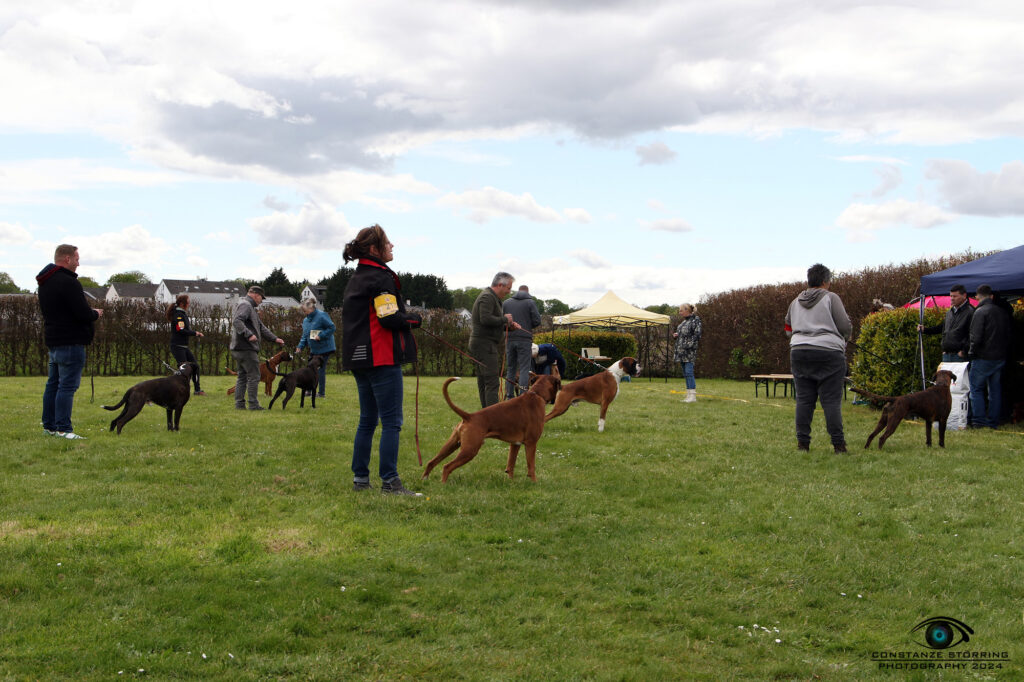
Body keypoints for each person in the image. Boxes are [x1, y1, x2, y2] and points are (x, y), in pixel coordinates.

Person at [341, 224, 423, 496]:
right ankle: (390, 481)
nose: (392, 246)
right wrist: (414, 319)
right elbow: (388, 318)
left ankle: (360, 480)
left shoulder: (357, 277)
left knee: (367, 421)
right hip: (381, 358)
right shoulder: (381, 277)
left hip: (359, 359)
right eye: (388, 243)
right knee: (391, 422)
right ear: (375, 249)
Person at [37, 244, 103, 439]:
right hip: (71, 342)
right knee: (66, 386)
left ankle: (49, 426)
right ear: (67, 259)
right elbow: (82, 313)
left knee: (53, 384)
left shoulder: (45, 282)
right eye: (76, 258)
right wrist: (95, 314)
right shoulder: (69, 282)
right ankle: (64, 428)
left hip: (54, 341)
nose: (78, 263)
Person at [785, 263, 852, 453]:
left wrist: (800, 337)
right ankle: (839, 445)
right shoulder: (831, 298)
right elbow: (845, 326)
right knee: (830, 400)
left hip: (799, 351)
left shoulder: (795, 301)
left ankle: (803, 444)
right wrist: (844, 338)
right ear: (825, 281)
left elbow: (787, 328)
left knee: (804, 400)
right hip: (829, 353)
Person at [469, 272, 520, 408]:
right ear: (499, 285)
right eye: (508, 288)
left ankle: (485, 416)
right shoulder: (487, 297)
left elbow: (491, 323)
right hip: (484, 345)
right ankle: (492, 418)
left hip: (484, 344)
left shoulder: (492, 297)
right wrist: (505, 319)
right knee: (492, 382)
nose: (509, 292)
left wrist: (509, 327)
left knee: (484, 382)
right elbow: (485, 319)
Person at [230, 285, 284, 410]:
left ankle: (239, 404)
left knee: (242, 376)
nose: (261, 301)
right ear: (255, 295)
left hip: (240, 348)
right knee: (254, 376)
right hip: (246, 348)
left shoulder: (251, 308)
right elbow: (237, 321)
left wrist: (275, 338)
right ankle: (253, 405)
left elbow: (261, 327)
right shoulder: (246, 305)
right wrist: (248, 334)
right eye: (261, 298)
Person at [967, 284, 1011, 429]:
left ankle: (979, 421)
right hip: (999, 356)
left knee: (976, 389)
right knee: (994, 390)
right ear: (991, 296)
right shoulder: (1002, 312)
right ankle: (993, 421)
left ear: (977, 297)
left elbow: (976, 337)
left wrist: (971, 353)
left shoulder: (980, 312)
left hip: (983, 357)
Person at [502, 285, 541, 399]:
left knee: (511, 368)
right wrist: (528, 325)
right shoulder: (530, 302)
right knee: (524, 369)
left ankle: (509, 396)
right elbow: (537, 321)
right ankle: (522, 396)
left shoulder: (506, 303)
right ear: (527, 292)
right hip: (524, 339)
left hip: (509, 339)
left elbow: (502, 321)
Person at [917, 284, 974, 362]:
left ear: (964, 296)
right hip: (947, 355)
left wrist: (964, 351)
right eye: (951, 296)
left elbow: (974, 335)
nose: (952, 299)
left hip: (960, 356)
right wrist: (926, 330)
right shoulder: (950, 312)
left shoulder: (971, 312)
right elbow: (942, 327)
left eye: (955, 296)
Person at [296, 298, 336, 399]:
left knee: (320, 370)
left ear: (311, 308)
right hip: (314, 349)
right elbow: (304, 335)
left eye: (304, 310)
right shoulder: (305, 320)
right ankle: (309, 390)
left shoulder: (322, 315)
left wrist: (321, 335)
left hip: (325, 347)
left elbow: (332, 327)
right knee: (309, 370)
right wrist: (300, 346)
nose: (304, 312)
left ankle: (321, 393)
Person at [167, 294, 205, 395]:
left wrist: (195, 333)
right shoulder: (178, 315)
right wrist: (195, 333)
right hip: (177, 347)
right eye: (188, 302)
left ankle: (197, 390)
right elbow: (181, 330)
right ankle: (180, 390)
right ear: (182, 304)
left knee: (195, 366)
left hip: (184, 347)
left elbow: (184, 330)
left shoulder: (182, 314)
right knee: (184, 370)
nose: (189, 304)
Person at [673, 303, 703, 403]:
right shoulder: (683, 323)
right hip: (681, 352)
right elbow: (684, 334)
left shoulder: (695, 320)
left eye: (681, 310)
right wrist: (677, 335)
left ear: (687, 310)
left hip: (689, 352)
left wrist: (688, 345)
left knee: (689, 373)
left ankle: (693, 396)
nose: (680, 312)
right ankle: (688, 395)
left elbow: (697, 335)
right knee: (686, 374)